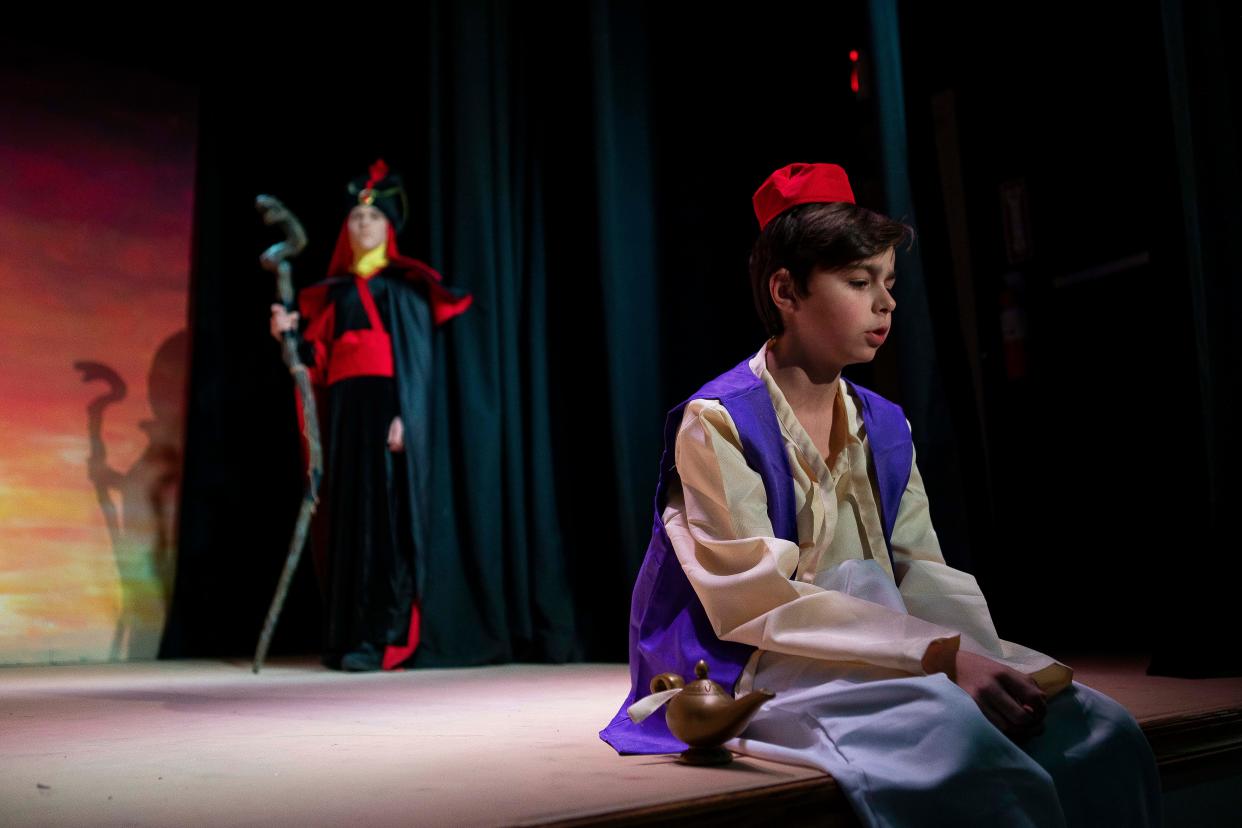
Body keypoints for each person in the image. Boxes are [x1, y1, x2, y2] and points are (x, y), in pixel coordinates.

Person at [601, 163, 1160, 826]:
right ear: (786, 290)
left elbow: (918, 568)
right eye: (860, 281)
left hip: (885, 635)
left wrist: (976, 657)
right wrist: (941, 660)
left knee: (1099, 730)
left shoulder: (884, 423)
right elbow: (755, 601)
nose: (886, 303)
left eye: (889, 283)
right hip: (762, 655)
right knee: (955, 743)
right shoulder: (719, 420)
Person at [270, 160, 471, 671]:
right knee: (347, 522)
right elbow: (315, 363)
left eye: (373, 220)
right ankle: (346, 634)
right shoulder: (335, 295)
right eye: (355, 220)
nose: (362, 226)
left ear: (388, 229)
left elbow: (417, 370)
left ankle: (381, 634)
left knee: (383, 523)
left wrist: (406, 417)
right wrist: (288, 337)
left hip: (386, 412)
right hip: (344, 417)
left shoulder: (404, 290)